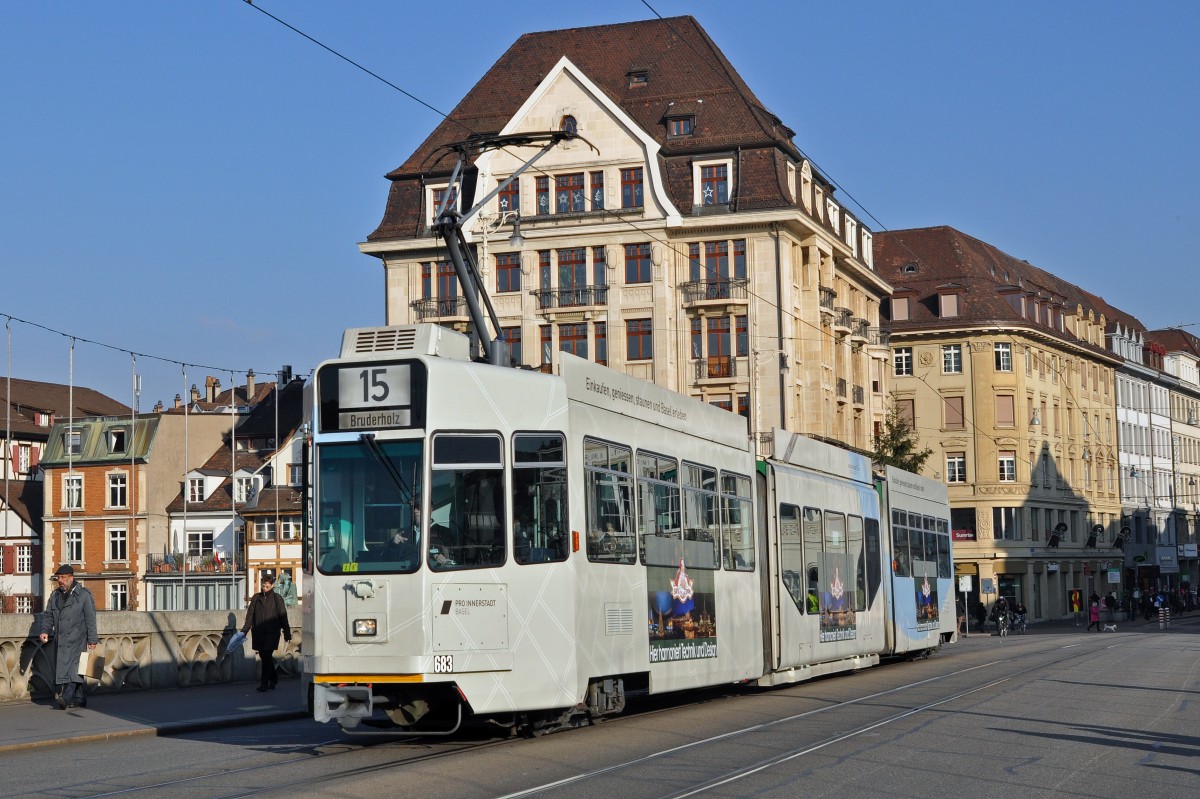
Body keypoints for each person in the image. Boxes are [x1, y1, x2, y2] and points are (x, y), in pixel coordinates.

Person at [37, 564, 98, 709]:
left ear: (71, 577)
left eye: (63, 577)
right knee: (71, 668)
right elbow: (48, 616)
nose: (60, 580)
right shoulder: (55, 595)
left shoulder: (83, 595)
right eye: (58, 577)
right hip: (61, 638)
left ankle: (66, 697)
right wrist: (44, 630)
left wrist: (92, 639)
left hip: (78, 638)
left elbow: (91, 618)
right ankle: (80, 697)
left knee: (74, 668)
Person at [241, 573, 292, 691]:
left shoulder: (277, 599)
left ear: (272, 586)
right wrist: (245, 630)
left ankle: (264, 684)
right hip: (259, 632)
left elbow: (283, 617)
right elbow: (250, 615)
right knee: (265, 657)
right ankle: (274, 678)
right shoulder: (256, 598)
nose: (264, 589)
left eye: (267, 587)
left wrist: (287, 633)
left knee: (267, 655)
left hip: (272, 632)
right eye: (263, 586)